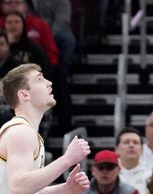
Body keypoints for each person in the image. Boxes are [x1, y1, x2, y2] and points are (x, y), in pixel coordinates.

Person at [0, 63, 91, 194]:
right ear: (24, 95)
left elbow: (26, 189)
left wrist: (65, 189)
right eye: (39, 79)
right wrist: (67, 159)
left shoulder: (24, 130)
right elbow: (19, 187)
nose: (49, 83)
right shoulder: (21, 131)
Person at [13, 0, 74, 74]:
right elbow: (12, 15)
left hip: (52, 32)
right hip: (25, 31)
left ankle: (62, 78)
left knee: (67, 38)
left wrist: (47, 35)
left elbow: (63, 20)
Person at [116, 128, 149, 194]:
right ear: (117, 149)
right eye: (126, 142)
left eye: (135, 142)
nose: (131, 145)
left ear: (142, 150)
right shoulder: (107, 174)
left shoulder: (151, 176)